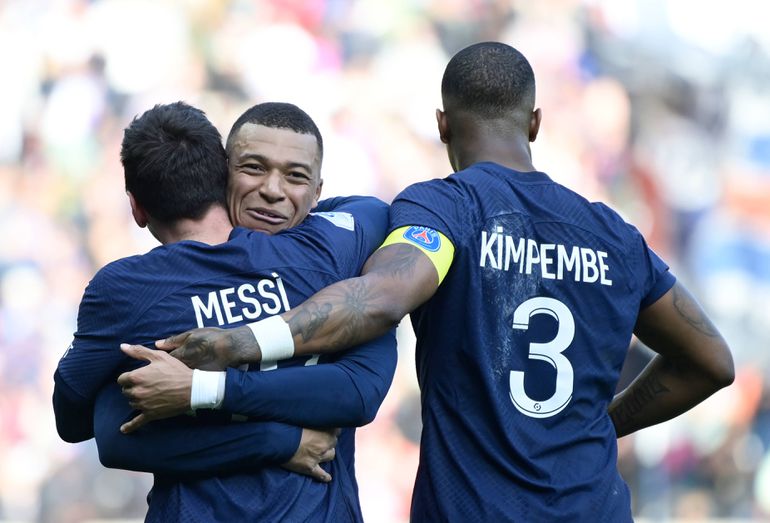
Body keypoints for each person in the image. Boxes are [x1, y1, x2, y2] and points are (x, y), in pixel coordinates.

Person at [154, 42, 736, 522]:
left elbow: (381, 298)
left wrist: (242, 341)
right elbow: (711, 361)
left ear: (442, 125)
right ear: (535, 123)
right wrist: (604, 426)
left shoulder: (446, 209)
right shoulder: (614, 236)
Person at [53, 101, 397, 522]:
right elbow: (374, 211)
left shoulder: (127, 289)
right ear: (224, 176)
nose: (273, 191)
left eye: (294, 176)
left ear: (136, 208)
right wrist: (277, 440)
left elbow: (84, 423)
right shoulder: (331, 249)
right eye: (255, 169)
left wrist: (203, 392)